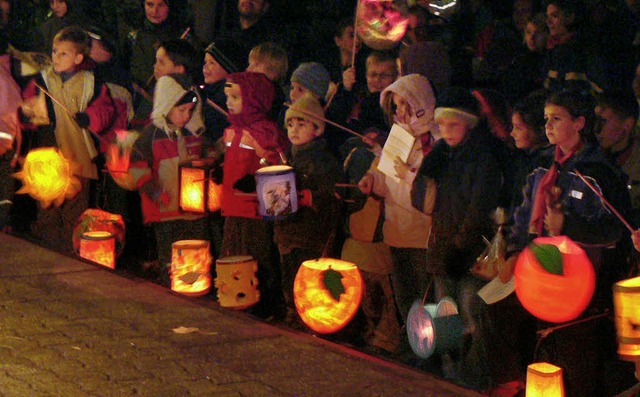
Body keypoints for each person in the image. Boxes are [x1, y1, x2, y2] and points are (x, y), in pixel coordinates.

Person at [504, 89, 631, 396]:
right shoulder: (542, 164)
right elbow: (523, 212)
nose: (548, 126)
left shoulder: (597, 171)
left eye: (557, 119)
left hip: (583, 283)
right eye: (546, 119)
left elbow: (615, 229)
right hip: (542, 274)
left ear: (579, 123)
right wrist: (513, 246)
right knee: (546, 347)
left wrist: (568, 226)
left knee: (578, 356)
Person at [411, 87, 503, 390]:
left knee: (469, 314)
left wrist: (460, 245)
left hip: (469, 251)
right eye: (443, 126)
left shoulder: (482, 159)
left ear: (468, 124)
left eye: (454, 125)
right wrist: (427, 172)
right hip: (443, 243)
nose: (447, 132)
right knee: (445, 312)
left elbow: (479, 206)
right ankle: (449, 371)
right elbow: (424, 200)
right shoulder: (441, 157)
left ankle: (472, 375)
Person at [19, 25, 116, 255]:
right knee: (48, 206)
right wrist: (26, 114)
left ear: (78, 56)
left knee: (75, 209)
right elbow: (29, 107)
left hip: (77, 156)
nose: (56, 57)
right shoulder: (43, 80)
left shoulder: (91, 83)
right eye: (54, 51)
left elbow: (105, 110)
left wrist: (89, 118)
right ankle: (48, 250)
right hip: (48, 156)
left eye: (63, 53)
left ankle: (70, 253)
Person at [358, 74, 439, 331]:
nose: (401, 112)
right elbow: (386, 180)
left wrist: (407, 173)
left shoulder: (435, 141)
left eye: (406, 104)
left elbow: (430, 188)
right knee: (406, 298)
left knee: (425, 298)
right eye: (396, 106)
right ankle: (412, 344)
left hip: (423, 235)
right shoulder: (399, 137)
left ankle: (429, 351)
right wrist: (372, 181)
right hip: (397, 232)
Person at [216, 71, 289, 319]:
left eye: (236, 97)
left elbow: (277, 164)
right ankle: (235, 296)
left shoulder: (265, 132)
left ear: (254, 100)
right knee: (233, 251)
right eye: (228, 96)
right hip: (233, 204)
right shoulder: (233, 131)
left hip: (253, 208)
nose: (229, 102)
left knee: (255, 255)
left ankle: (262, 303)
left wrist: (256, 177)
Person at [128, 73, 208, 285]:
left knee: (195, 253)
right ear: (166, 105)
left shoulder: (193, 134)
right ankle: (170, 285)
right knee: (170, 256)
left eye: (190, 111)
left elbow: (203, 159)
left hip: (193, 210)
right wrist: (154, 191)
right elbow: (136, 166)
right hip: (164, 210)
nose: (186, 116)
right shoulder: (151, 135)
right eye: (181, 111)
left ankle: (195, 286)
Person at [274, 94, 343, 327]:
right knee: (289, 277)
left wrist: (308, 196)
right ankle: (293, 312)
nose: (294, 130)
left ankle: (310, 320)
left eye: (301, 124)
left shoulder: (322, 161)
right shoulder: (289, 159)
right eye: (290, 124)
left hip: (309, 233)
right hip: (287, 232)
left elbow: (330, 195)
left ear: (317, 128)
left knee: (309, 281)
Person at [0, 28, 20, 233]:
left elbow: (7, 113)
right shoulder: (6, 75)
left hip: (4, 143)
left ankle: (4, 221)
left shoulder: (2, 78)